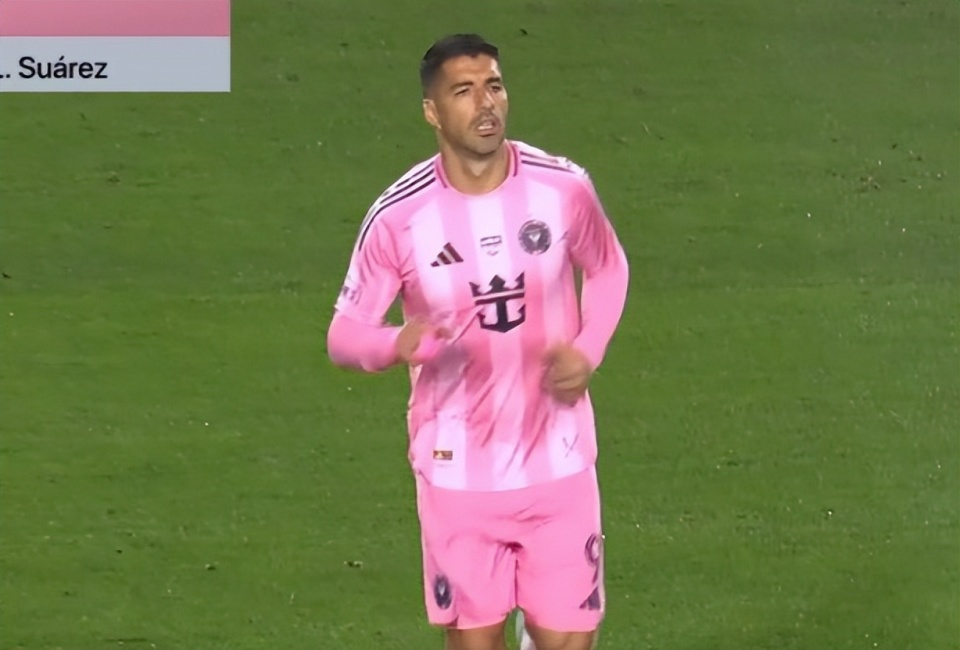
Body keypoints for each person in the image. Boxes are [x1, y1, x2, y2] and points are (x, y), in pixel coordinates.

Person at [326, 33, 629, 650]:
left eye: (494, 86)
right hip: (457, 475)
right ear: (432, 112)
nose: (485, 103)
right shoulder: (400, 217)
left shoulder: (562, 188)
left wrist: (589, 348)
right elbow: (344, 335)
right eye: (463, 92)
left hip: (559, 461)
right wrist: (397, 343)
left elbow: (608, 266)